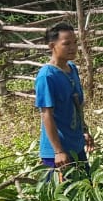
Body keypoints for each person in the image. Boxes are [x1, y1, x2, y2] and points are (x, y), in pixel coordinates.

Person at [35, 22, 92, 181]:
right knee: (60, 199)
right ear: (52, 46)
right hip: (59, 153)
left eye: (75, 43)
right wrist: (58, 151)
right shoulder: (46, 76)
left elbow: (76, 105)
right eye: (66, 44)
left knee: (85, 190)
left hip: (76, 145)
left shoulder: (71, 68)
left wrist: (84, 130)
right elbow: (47, 115)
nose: (73, 47)